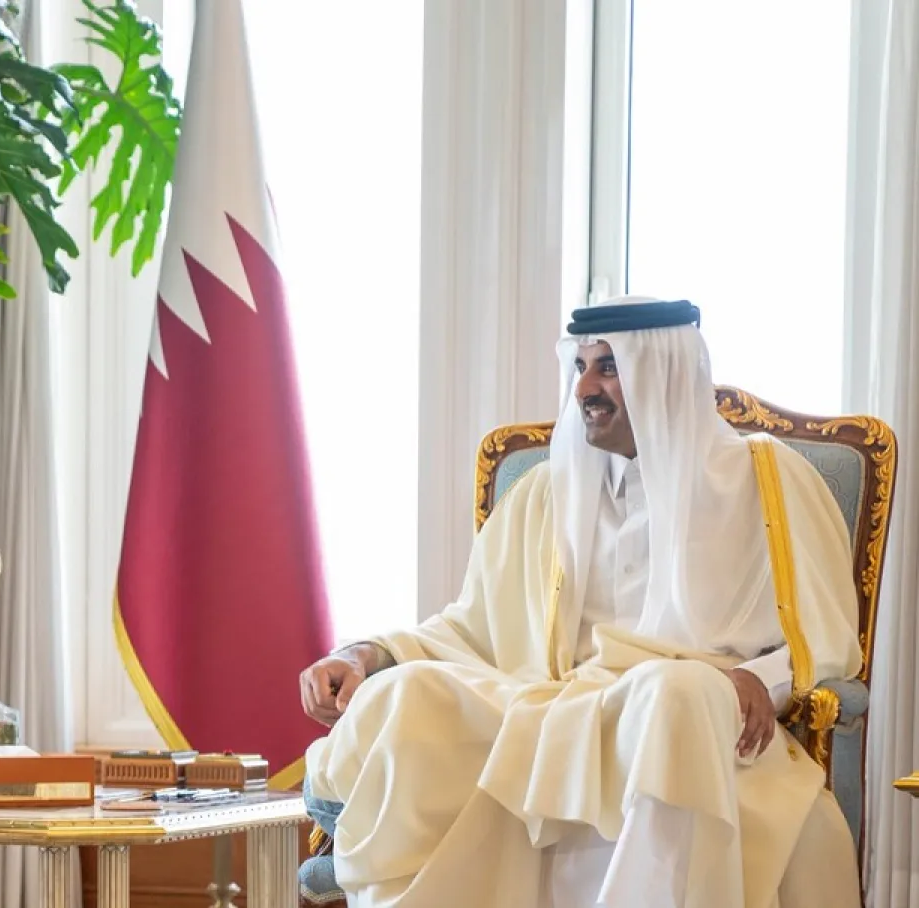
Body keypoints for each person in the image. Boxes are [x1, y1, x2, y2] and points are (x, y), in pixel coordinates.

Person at [299, 297, 863, 908]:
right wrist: (365, 656)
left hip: (693, 721)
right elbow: (470, 628)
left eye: (609, 368)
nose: (585, 389)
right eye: (580, 367)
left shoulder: (765, 480)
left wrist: (758, 679)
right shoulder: (545, 493)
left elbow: (824, 636)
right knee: (410, 694)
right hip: (555, 714)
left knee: (674, 691)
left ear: (664, 373)